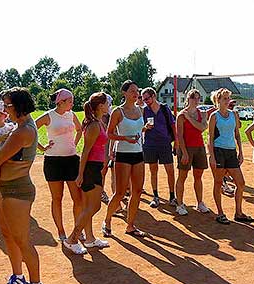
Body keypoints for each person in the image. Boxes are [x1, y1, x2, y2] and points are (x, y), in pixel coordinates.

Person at [0, 88, 45, 284]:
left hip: (18, 190)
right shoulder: (19, 127)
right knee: (8, 235)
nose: (4, 109)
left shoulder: (23, 131)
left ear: (18, 106)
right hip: (6, 189)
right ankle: (18, 276)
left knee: (22, 239)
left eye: (7, 105)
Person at [35, 89, 83, 242]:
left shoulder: (72, 114)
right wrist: (41, 147)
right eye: (70, 101)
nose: (72, 103)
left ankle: (77, 229)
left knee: (78, 198)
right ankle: (61, 231)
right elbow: (30, 130)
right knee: (57, 198)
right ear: (60, 102)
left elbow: (79, 130)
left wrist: (74, 144)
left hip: (71, 160)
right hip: (53, 161)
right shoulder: (49, 116)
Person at [64, 92, 110, 254]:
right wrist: (81, 174)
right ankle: (72, 239)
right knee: (94, 206)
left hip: (95, 167)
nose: (109, 104)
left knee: (88, 206)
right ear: (100, 106)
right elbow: (85, 151)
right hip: (90, 168)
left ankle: (89, 239)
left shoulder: (98, 122)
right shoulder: (94, 125)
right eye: (106, 102)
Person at [102, 80, 146, 237]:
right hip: (123, 154)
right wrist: (126, 138)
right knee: (120, 193)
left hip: (139, 153)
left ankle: (130, 225)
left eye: (137, 90)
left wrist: (144, 129)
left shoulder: (140, 110)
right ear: (124, 93)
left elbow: (138, 129)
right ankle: (107, 220)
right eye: (133, 90)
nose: (136, 93)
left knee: (138, 191)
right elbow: (109, 134)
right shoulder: (118, 112)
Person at [208, 88, 254, 225]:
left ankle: (238, 213)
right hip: (219, 151)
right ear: (218, 101)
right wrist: (211, 156)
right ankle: (220, 213)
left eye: (229, 98)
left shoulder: (234, 114)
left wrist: (241, 151)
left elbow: (237, 134)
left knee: (240, 183)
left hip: (231, 151)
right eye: (225, 99)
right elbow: (210, 138)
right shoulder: (214, 116)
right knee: (218, 183)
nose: (228, 101)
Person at [175, 89, 210, 215]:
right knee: (182, 176)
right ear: (188, 99)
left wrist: (189, 117)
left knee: (198, 176)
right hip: (186, 148)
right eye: (193, 98)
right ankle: (179, 204)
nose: (196, 101)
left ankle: (200, 203)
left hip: (199, 147)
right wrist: (184, 152)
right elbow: (179, 136)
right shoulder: (181, 116)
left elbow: (202, 127)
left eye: (198, 98)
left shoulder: (202, 114)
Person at [141, 87, 177, 208]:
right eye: (143, 99)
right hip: (150, 144)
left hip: (165, 143)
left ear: (153, 96)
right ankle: (155, 196)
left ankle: (172, 196)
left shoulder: (164, 108)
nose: (145, 101)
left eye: (147, 98)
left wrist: (176, 142)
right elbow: (140, 128)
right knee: (153, 170)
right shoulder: (144, 111)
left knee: (170, 171)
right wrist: (145, 127)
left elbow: (173, 125)